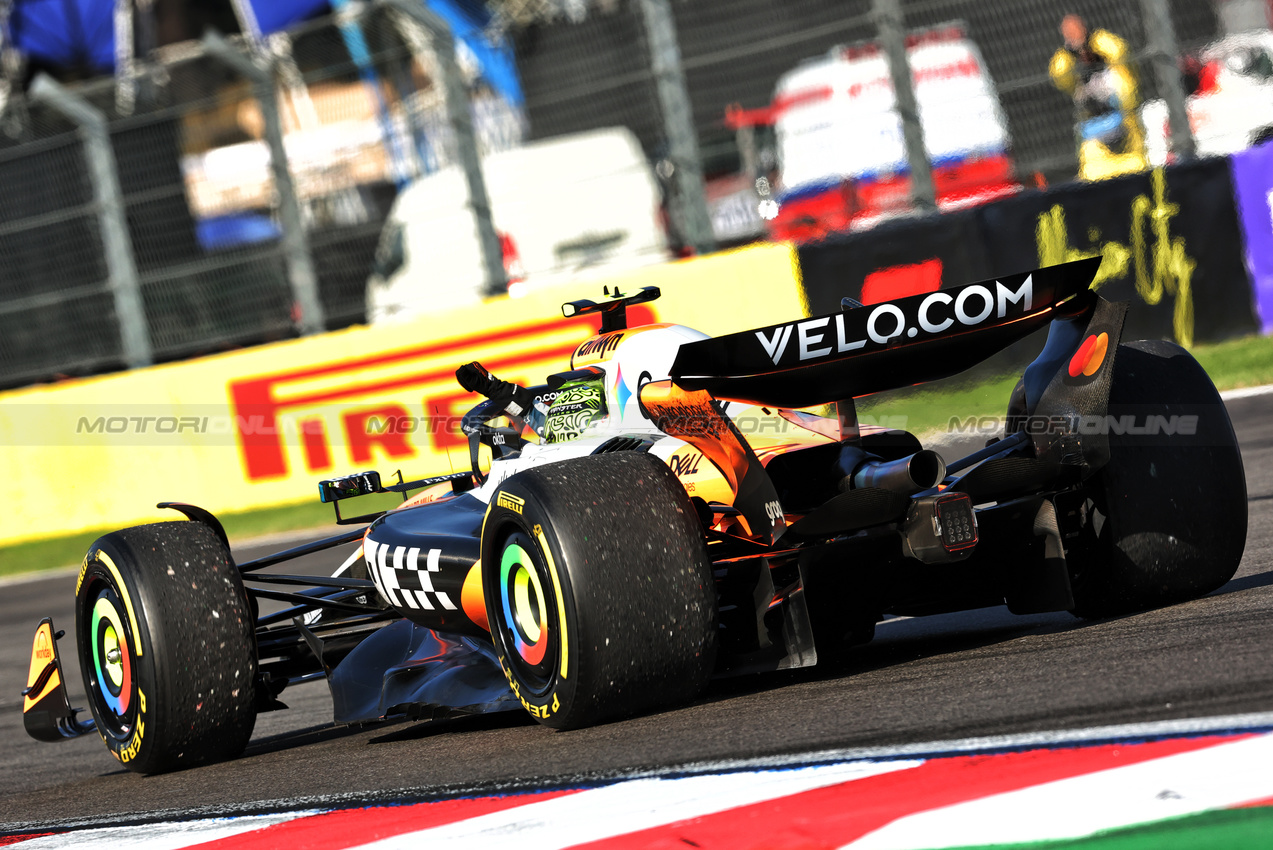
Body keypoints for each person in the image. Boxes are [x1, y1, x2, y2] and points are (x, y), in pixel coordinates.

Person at [1049, 14, 1149, 180]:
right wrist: (1069, 51)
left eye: (1077, 32)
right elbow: (1058, 74)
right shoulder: (1076, 78)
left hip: (1128, 144)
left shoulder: (1120, 70)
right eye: (1068, 34)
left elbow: (1118, 50)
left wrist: (1091, 40)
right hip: (1098, 151)